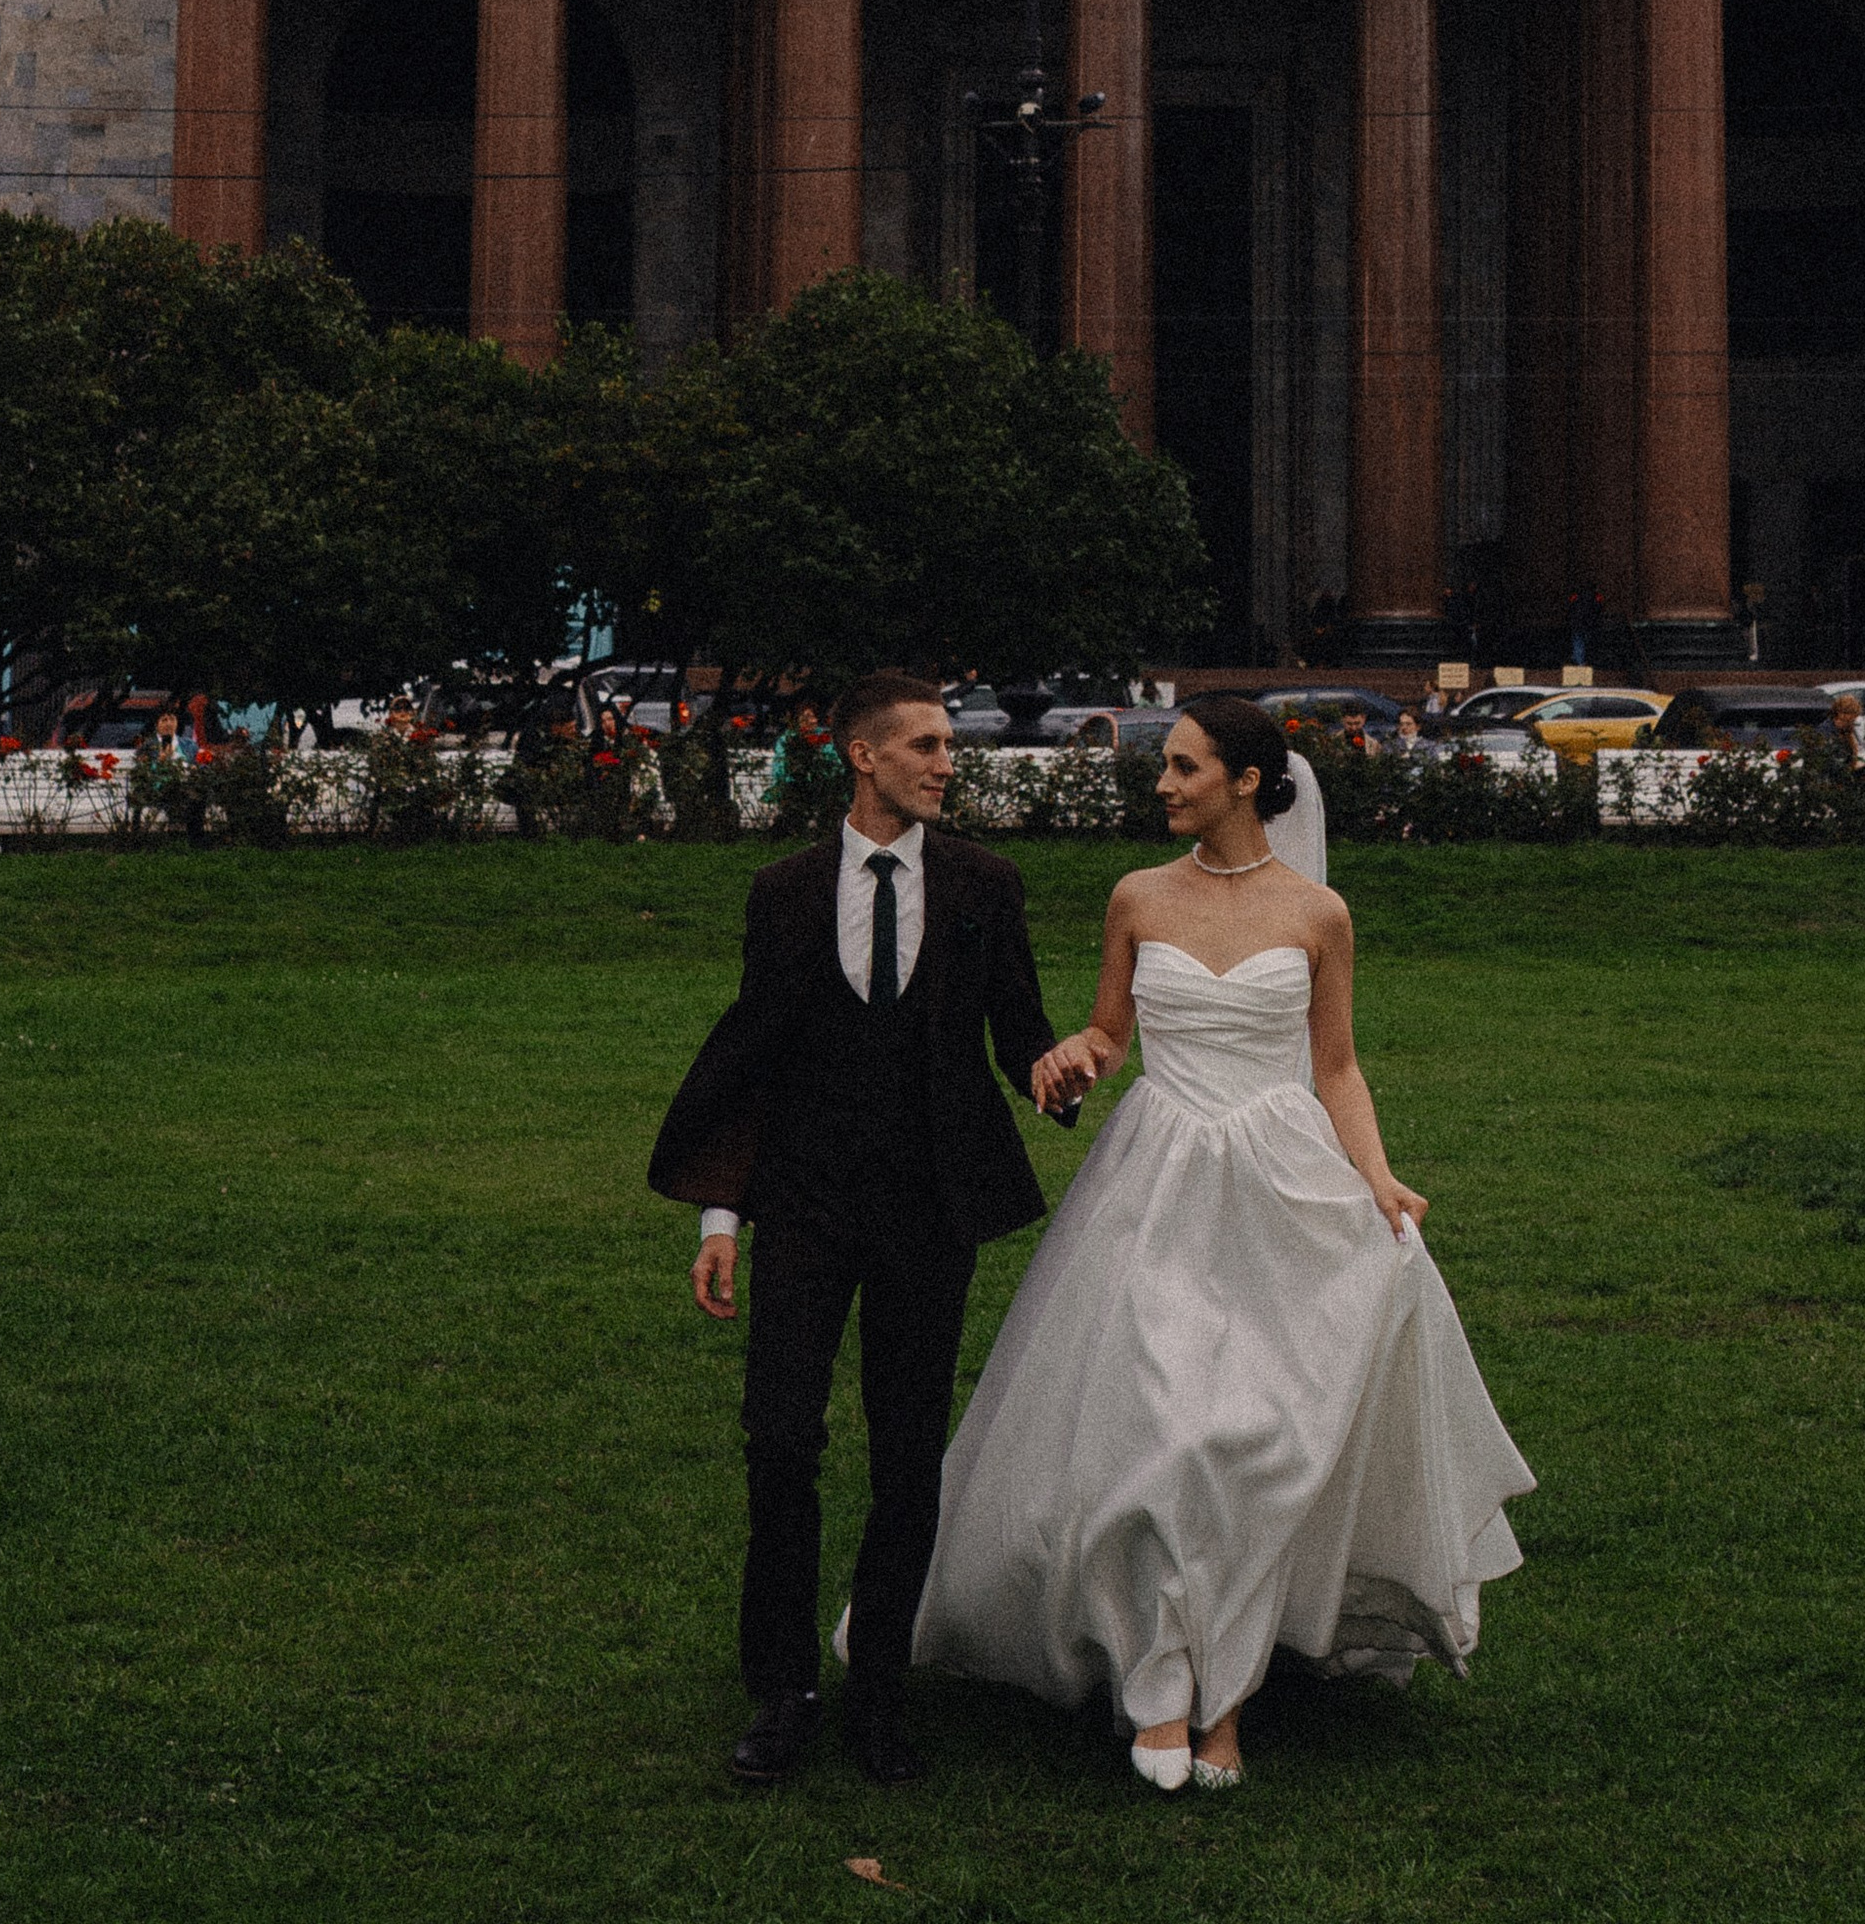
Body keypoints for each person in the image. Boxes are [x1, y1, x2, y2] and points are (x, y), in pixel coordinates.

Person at [915, 694, 1532, 1790]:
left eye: (1183, 766)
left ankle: (1227, 1704)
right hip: (1155, 1182)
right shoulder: (1137, 896)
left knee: (1257, 1446)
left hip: (1280, 1183)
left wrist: (1377, 1176)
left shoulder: (1319, 914)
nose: (1162, 783)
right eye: (1165, 765)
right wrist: (1076, 1059)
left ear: (1246, 781)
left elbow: (1336, 1066)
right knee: (1168, 1435)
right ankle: (1161, 1685)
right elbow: (1111, 1033)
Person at [648, 670, 1070, 1790]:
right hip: (805, 1204)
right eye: (925, 745)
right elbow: (752, 1056)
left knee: (906, 1454)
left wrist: (1057, 1072)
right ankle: (783, 1691)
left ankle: (880, 1690)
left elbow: (1020, 1031)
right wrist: (722, 1215)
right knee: (780, 1440)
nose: (946, 764)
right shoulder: (783, 892)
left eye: (948, 746)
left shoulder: (985, 883)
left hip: (929, 1211)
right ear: (863, 755)